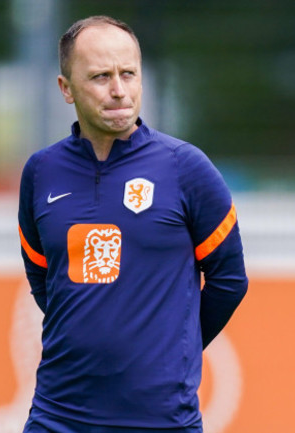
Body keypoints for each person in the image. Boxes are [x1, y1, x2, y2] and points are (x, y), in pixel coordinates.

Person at [17, 15, 248, 433]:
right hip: (58, 416)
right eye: (101, 77)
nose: (119, 90)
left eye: (128, 74)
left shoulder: (186, 168)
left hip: (160, 420)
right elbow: (41, 276)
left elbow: (229, 279)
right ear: (66, 89)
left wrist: (174, 351)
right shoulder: (41, 171)